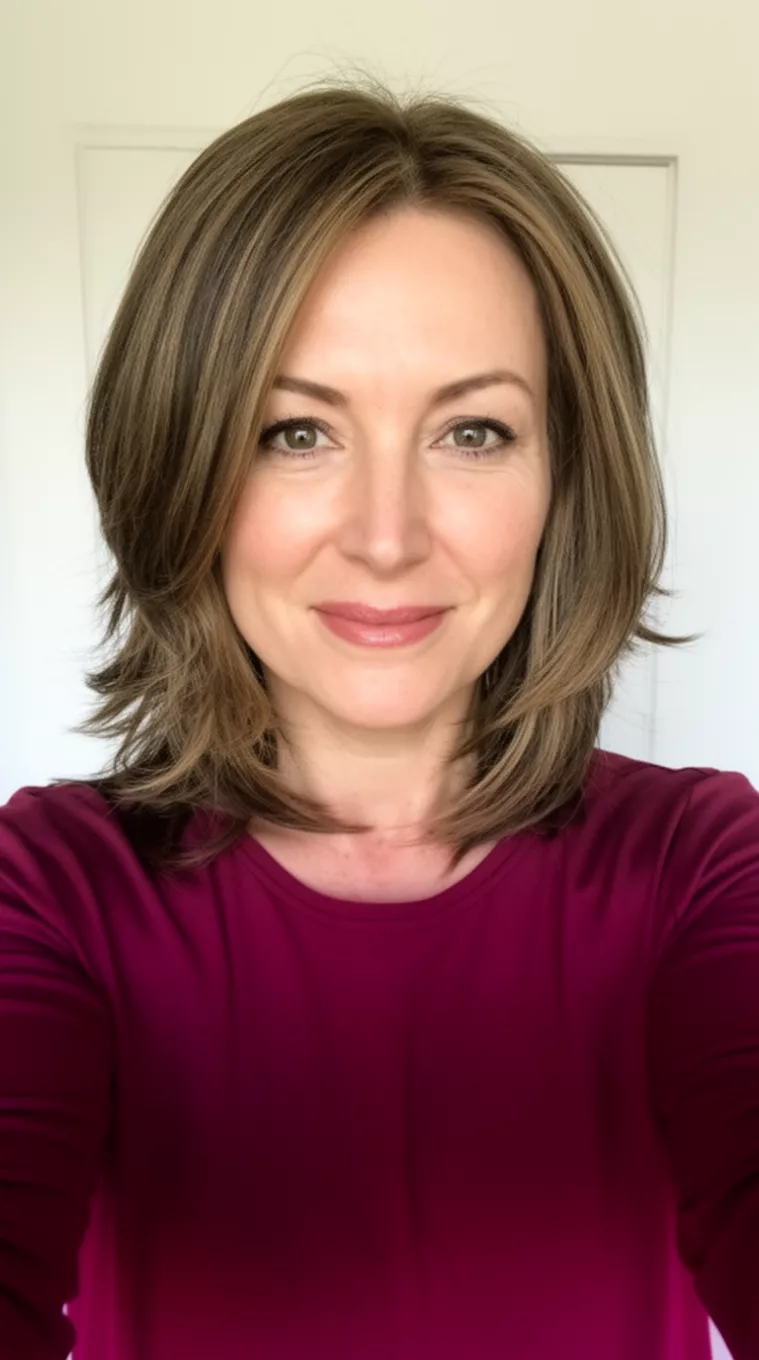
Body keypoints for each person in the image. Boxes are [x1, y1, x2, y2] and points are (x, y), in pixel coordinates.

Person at [1, 75, 758, 1360]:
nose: (389, 537)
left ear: (566, 476)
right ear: (179, 460)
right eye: (296, 431)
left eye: (472, 431)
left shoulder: (699, 866)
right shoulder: (56, 890)